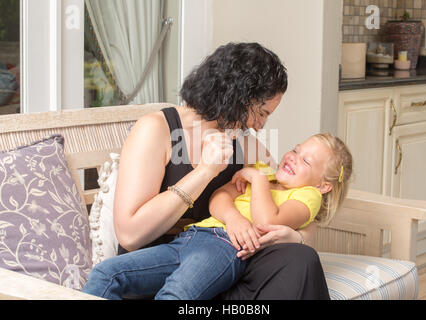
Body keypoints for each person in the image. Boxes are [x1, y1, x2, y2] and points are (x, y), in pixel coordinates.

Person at [82, 42, 331, 300]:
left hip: (219, 260)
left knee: (301, 259)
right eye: (261, 113)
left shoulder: (244, 143)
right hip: (156, 264)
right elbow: (130, 235)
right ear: (238, 96)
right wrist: (204, 172)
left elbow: (292, 197)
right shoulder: (156, 130)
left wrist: (298, 235)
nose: (260, 126)